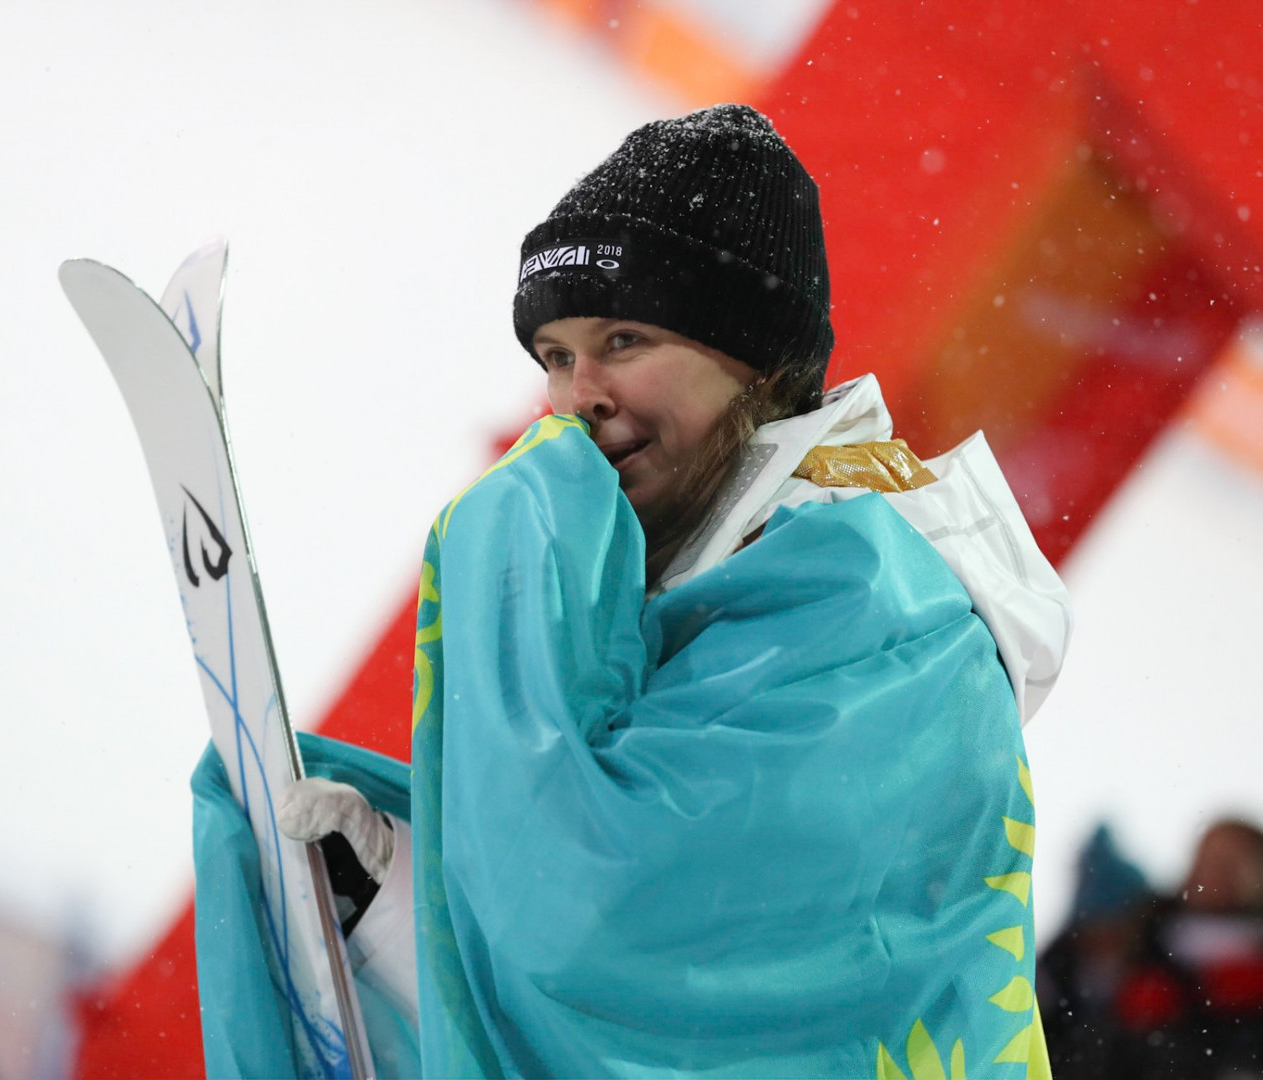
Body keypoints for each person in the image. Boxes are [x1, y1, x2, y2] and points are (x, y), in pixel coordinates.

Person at [192, 103, 1072, 1078]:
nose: (580, 398)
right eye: (556, 357)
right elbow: (657, 1011)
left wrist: (514, 547)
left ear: (757, 358)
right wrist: (395, 896)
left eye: (625, 339)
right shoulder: (721, 588)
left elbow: (596, 924)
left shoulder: (882, 616)